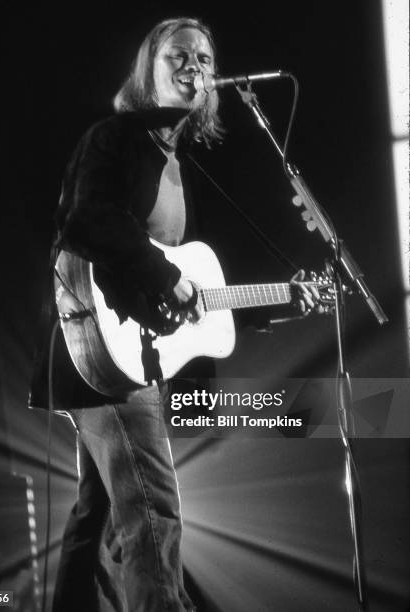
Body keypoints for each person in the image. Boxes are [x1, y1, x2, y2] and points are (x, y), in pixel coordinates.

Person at [29, 16, 322, 612]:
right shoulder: (116, 139)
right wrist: (166, 280)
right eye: (179, 55)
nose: (195, 66)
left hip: (128, 359)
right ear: (149, 70)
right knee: (152, 509)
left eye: (206, 60)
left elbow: (194, 297)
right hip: (100, 350)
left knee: (101, 518)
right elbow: (88, 222)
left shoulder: (177, 164)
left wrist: (281, 302)